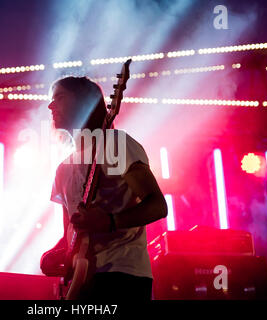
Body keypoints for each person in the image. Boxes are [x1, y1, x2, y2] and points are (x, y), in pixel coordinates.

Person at [40, 76, 167, 301]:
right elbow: (71, 230)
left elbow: (157, 206)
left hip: (123, 275)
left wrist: (110, 221)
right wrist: (56, 253)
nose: (50, 106)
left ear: (83, 102)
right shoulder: (63, 168)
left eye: (59, 98)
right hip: (82, 281)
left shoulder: (116, 144)